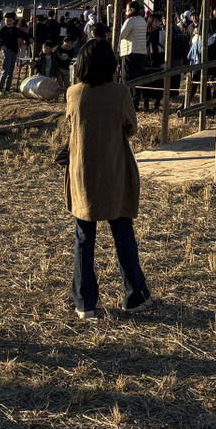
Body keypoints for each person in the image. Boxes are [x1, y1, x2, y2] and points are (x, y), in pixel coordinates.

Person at [64, 37, 153, 318]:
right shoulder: (121, 93)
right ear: (111, 64)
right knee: (123, 234)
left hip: (83, 172)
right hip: (115, 170)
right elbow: (131, 127)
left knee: (83, 238)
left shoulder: (74, 93)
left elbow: (70, 123)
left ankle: (84, 303)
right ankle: (134, 296)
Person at [118, 1, 149, 109]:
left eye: (127, 10)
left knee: (127, 79)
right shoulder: (142, 21)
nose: (126, 12)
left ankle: (128, 103)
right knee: (138, 79)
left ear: (131, 10)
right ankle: (135, 102)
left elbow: (122, 35)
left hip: (129, 52)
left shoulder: (130, 21)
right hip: (141, 52)